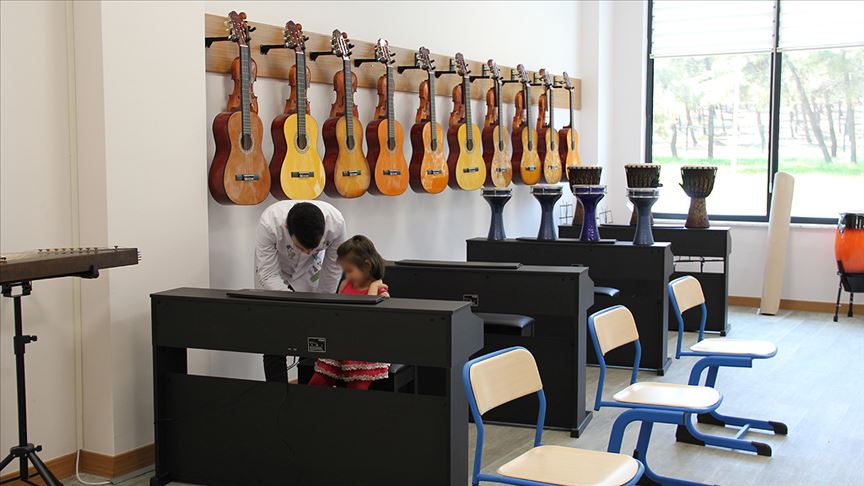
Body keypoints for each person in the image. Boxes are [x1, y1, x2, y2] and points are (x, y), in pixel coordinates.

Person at [255, 201, 347, 382]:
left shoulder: (336, 223)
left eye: (313, 248)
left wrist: (321, 305)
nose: (307, 252)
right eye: (301, 247)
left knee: (313, 340)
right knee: (274, 342)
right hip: (276, 277)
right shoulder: (269, 223)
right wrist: (294, 302)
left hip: (311, 275)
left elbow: (333, 270)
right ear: (287, 228)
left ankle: (308, 391)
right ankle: (277, 395)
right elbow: (268, 274)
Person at [308, 235, 391, 391]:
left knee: (357, 388)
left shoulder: (381, 292)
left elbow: (370, 320)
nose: (346, 275)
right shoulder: (345, 284)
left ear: (367, 265)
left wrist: (374, 288)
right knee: (318, 382)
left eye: (349, 271)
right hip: (341, 342)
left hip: (364, 349)